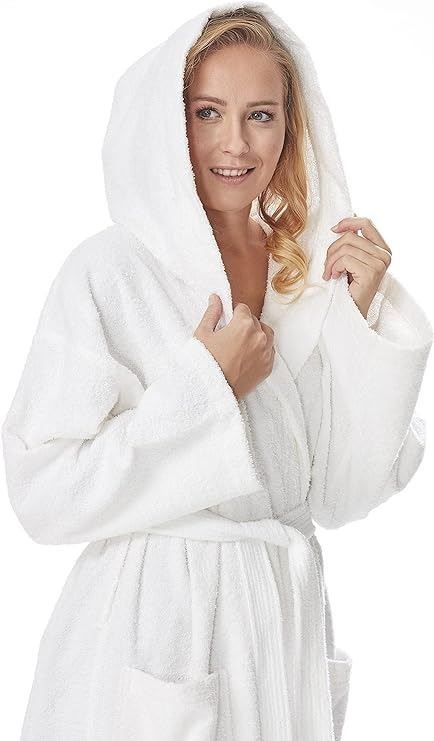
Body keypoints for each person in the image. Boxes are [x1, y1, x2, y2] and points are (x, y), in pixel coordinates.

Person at [2, 3, 432, 740]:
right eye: (208, 112)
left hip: (280, 624)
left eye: (260, 115)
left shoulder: (305, 276)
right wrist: (208, 387)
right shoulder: (112, 270)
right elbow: (43, 491)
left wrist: (358, 322)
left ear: (291, 128)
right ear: (170, 122)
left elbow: (340, 495)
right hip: (157, 628)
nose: (234, 142)